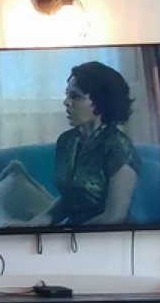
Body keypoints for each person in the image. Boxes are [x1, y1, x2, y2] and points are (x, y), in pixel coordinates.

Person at [32, 60, 141, 226]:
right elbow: (71, 199)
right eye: (67, 95)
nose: (66, 102)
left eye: (75, 96)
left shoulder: (118, 146)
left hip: (111, 236)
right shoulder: (67, 141)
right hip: (73, 235)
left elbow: (114, 216)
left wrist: (69, 234)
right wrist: (37, 222)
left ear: (101, 101)